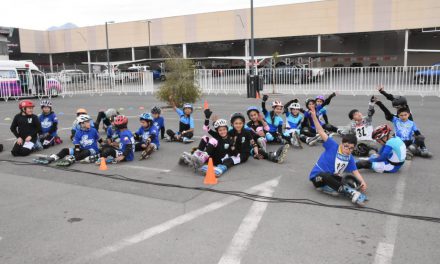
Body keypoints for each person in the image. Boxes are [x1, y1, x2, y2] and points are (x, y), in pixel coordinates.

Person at [308, 104, 368, 206]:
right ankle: (349, 194)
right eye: (346, 146)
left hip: (332, 178)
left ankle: (336, 189)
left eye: (351, 148)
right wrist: (314, 116)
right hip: (318, 178)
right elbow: (321, 131)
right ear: (341, 144)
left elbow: (355, 172)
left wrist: (363, 182)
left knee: (349, 180)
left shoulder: (350, 158)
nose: (348, 150)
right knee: (325, 175)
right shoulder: (333, 146)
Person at [180, 111, 234, 177]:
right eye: (220, 130)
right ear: (217, 131)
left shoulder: (230, 137)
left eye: (224, 129)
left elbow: (231, 150)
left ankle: (201, 160)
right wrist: (207, 118)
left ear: (227, 129)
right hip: (212, 156)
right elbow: (206, 128)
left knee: (213, 140)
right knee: (205, 137)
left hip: (219, 160)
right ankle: (196, 156)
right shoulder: (217, 135)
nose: (222, 131)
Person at [34, 115, 101, 166]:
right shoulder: (78, 132)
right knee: (65, 150)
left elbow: (99, 139)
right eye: (87, 122)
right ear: (82, 123)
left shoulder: (93, 130)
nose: (89, 123)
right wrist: (76, 151)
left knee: (86, 152)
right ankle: (53, 158)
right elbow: (77, 145)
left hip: (92, 150)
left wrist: (104, 144)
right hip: (81, 149)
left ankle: (71, 159)